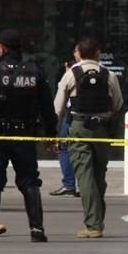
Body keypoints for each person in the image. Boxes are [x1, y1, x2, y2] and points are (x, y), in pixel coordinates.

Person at [0, 30, 58, 243]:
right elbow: (47, 107)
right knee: (29, 179)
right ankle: (37, 228)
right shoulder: (36, 72)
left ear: (2, 48)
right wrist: (50, 134)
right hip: (24, 135)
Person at [54, 37, 124, 239]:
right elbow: (118, 103)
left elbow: (58, 107)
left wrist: (53, 131)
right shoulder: (109, 75)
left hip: (78, 127)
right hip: (102, 129)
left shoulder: (71, 74)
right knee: (99, 175)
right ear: (97, 54)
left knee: (85, 176)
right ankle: (97, 221)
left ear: (79, 53)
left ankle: (93, 225)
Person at [50, 55, 80, 198]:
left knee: (65, 148)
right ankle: (89, 185)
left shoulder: (72, 73)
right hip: (98, 120)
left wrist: (53, 125)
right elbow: (117, 102)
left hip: (73, 118)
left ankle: (69, 184)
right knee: (89, 151)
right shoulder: (105, 72)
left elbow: (59, 103)